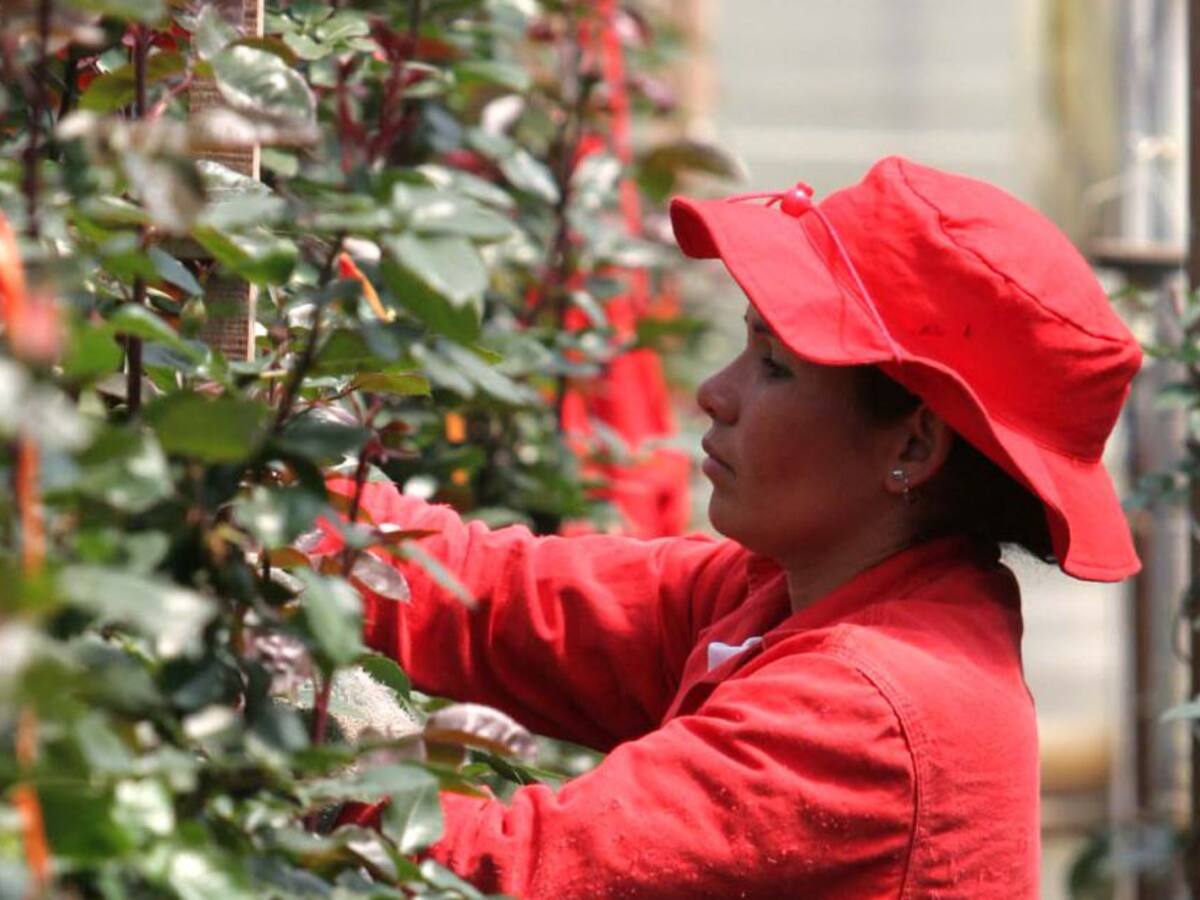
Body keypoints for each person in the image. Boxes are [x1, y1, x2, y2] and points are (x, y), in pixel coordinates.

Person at [318, 156, 1143, 898]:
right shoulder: (795, 594)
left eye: (775, 365)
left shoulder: (867, 713)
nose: (715, 392)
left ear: (915, 443)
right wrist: (283, 498)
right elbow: (498, 597)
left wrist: (295, 717)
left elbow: (497, 874)